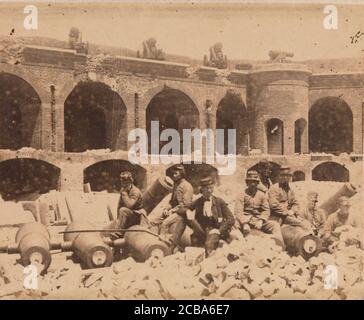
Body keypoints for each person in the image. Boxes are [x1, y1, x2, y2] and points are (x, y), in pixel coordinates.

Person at [182, 177, 235, 255]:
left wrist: (219, 230)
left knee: (208, 245)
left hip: (215, 230)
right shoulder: (198, 201)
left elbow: (231, 219)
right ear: (202, 189)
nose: (209, 191)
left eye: (211, 188)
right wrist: (187, 212)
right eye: (207, 188)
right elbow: (184, 208)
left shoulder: (219, 201)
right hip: (202, 230)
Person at [234, 170, 284, 246]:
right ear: (247, 183)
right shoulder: (241, 195)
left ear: (258, 183)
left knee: (275, 225)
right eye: (250, 182)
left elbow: (266, 210)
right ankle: (239, 245)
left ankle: (279, 245)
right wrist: (244, 223)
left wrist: (261, 220)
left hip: (258, 221)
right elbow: (238, 212)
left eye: (255, 182)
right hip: (245, 221)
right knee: (235, 226)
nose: (253, 184)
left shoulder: (261, 195)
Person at [148, 164, 193, 248]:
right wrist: (166, 208)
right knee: (153, 221)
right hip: (172, 211)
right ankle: (154, 242)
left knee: (165, 223)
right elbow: (171, 202)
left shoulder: (187, 186)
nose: (173, 176)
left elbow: (186, 206)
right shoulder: (176, 185)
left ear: (181, 174)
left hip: (181, 214)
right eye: (173, 174)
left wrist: (172, 211)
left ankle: (163, 245)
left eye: (176, 174)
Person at [103, 171, 143, 235]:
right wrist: (118, 218)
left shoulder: (135, 191)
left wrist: (125, 195)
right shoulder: (123, 189)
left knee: (123, 210)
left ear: (130, 182)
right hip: (126, 216)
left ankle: (119, 233)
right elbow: (120, 205)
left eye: (126, 183)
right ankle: (118, 229)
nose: (124, 184)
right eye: (122, 182)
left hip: (136, 217)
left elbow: (130, 205)